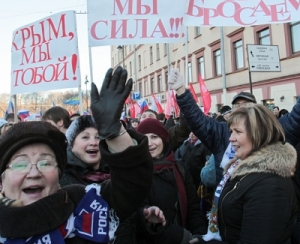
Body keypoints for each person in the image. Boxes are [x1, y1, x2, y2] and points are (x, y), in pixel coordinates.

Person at [0, 67, 155, 243]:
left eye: (45, 162)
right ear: (2, 182)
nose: (34, 173)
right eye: (21, 164)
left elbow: (133, 183)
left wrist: (113, 130)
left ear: (58, 174)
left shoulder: (81, 201)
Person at [168, 68, 300, 184]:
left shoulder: (274, 131)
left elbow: (297, 116)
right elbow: (197, 120)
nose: (242, 108)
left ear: (258, 111)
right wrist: (181, 90)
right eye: (237, 106)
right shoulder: (222, 132)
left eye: (247, 104)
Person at [201, 105, 296, 244]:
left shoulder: (269, 186)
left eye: (238, 132)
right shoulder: (239, 167)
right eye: (231, 131)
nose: (230, 138)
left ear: (259, 134)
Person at [136, 118, 208, 244]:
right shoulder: (135, 172)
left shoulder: (179, 168)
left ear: (163, 139)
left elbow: (193, 208)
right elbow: (139, 216)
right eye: (144, 138)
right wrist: (183, 237)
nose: (149, 143)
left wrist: (199, 235)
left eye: (154, 137)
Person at [60, 115, 110, 187]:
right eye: (85, 137)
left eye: (98, 137)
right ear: (71, 145)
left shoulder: (114, 172)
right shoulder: (61, 179)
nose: (93, 142)